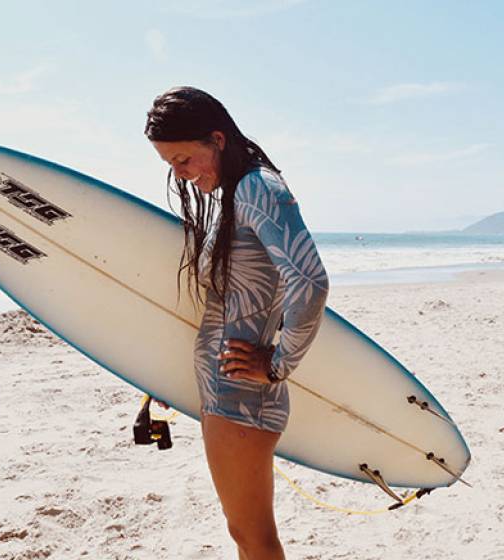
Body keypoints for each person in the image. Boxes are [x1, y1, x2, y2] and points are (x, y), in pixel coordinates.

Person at [144, 86, 329, 559]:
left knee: (254, 538)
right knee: (245, 534)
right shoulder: (238, 194)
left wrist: (278, 365)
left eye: (184, 160)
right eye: (171, 166)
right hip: (225, 394)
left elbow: (309, 279)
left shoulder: (256, 189)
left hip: (240, 400)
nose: (180, 175)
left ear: (218, 139)